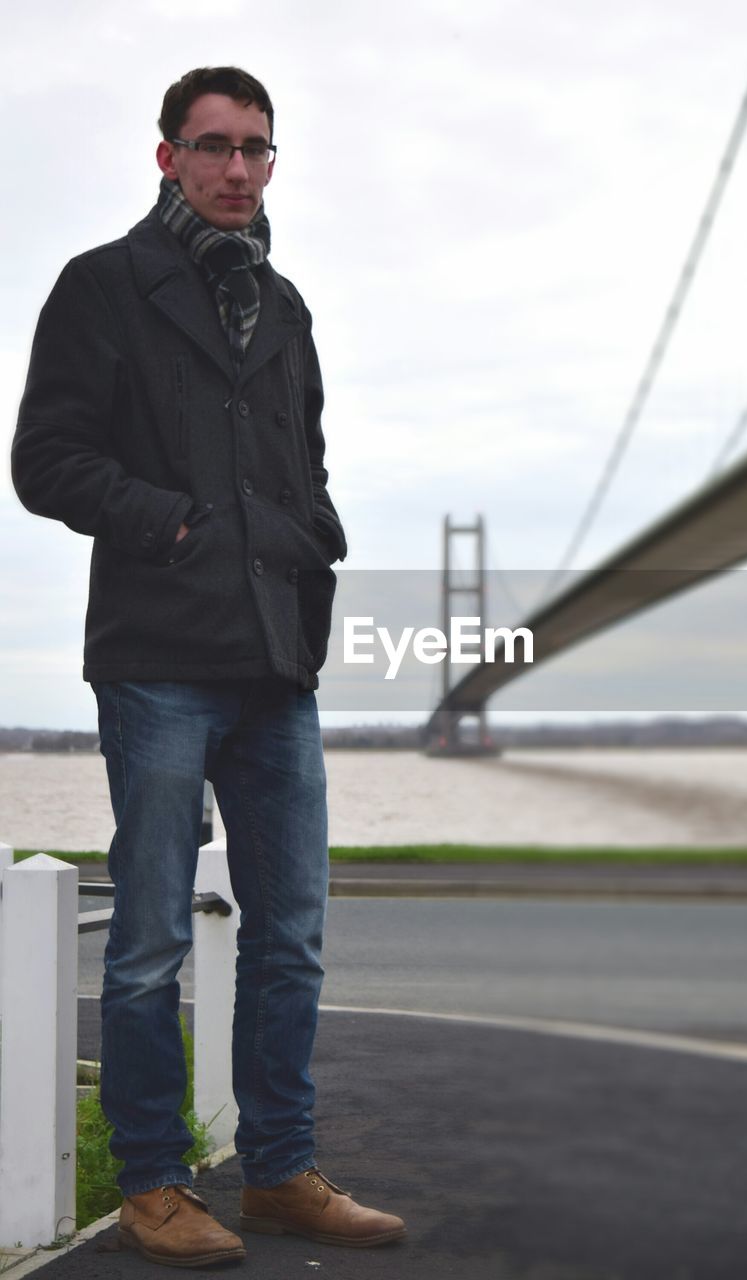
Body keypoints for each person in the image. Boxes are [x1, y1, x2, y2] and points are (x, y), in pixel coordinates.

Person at [12, 66, 406, 1268]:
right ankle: (152, 1183)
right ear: (167, 155)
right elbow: (45, 460)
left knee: (291, 933)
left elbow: (308, 470)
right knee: (146, 940)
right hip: (159, 660)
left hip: (275, 663)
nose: (238, 169)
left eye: (257, 149)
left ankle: (280, 1168)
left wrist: (309, 554)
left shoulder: (284, 309)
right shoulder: (102, 287)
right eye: (214, 146)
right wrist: (172, 522)